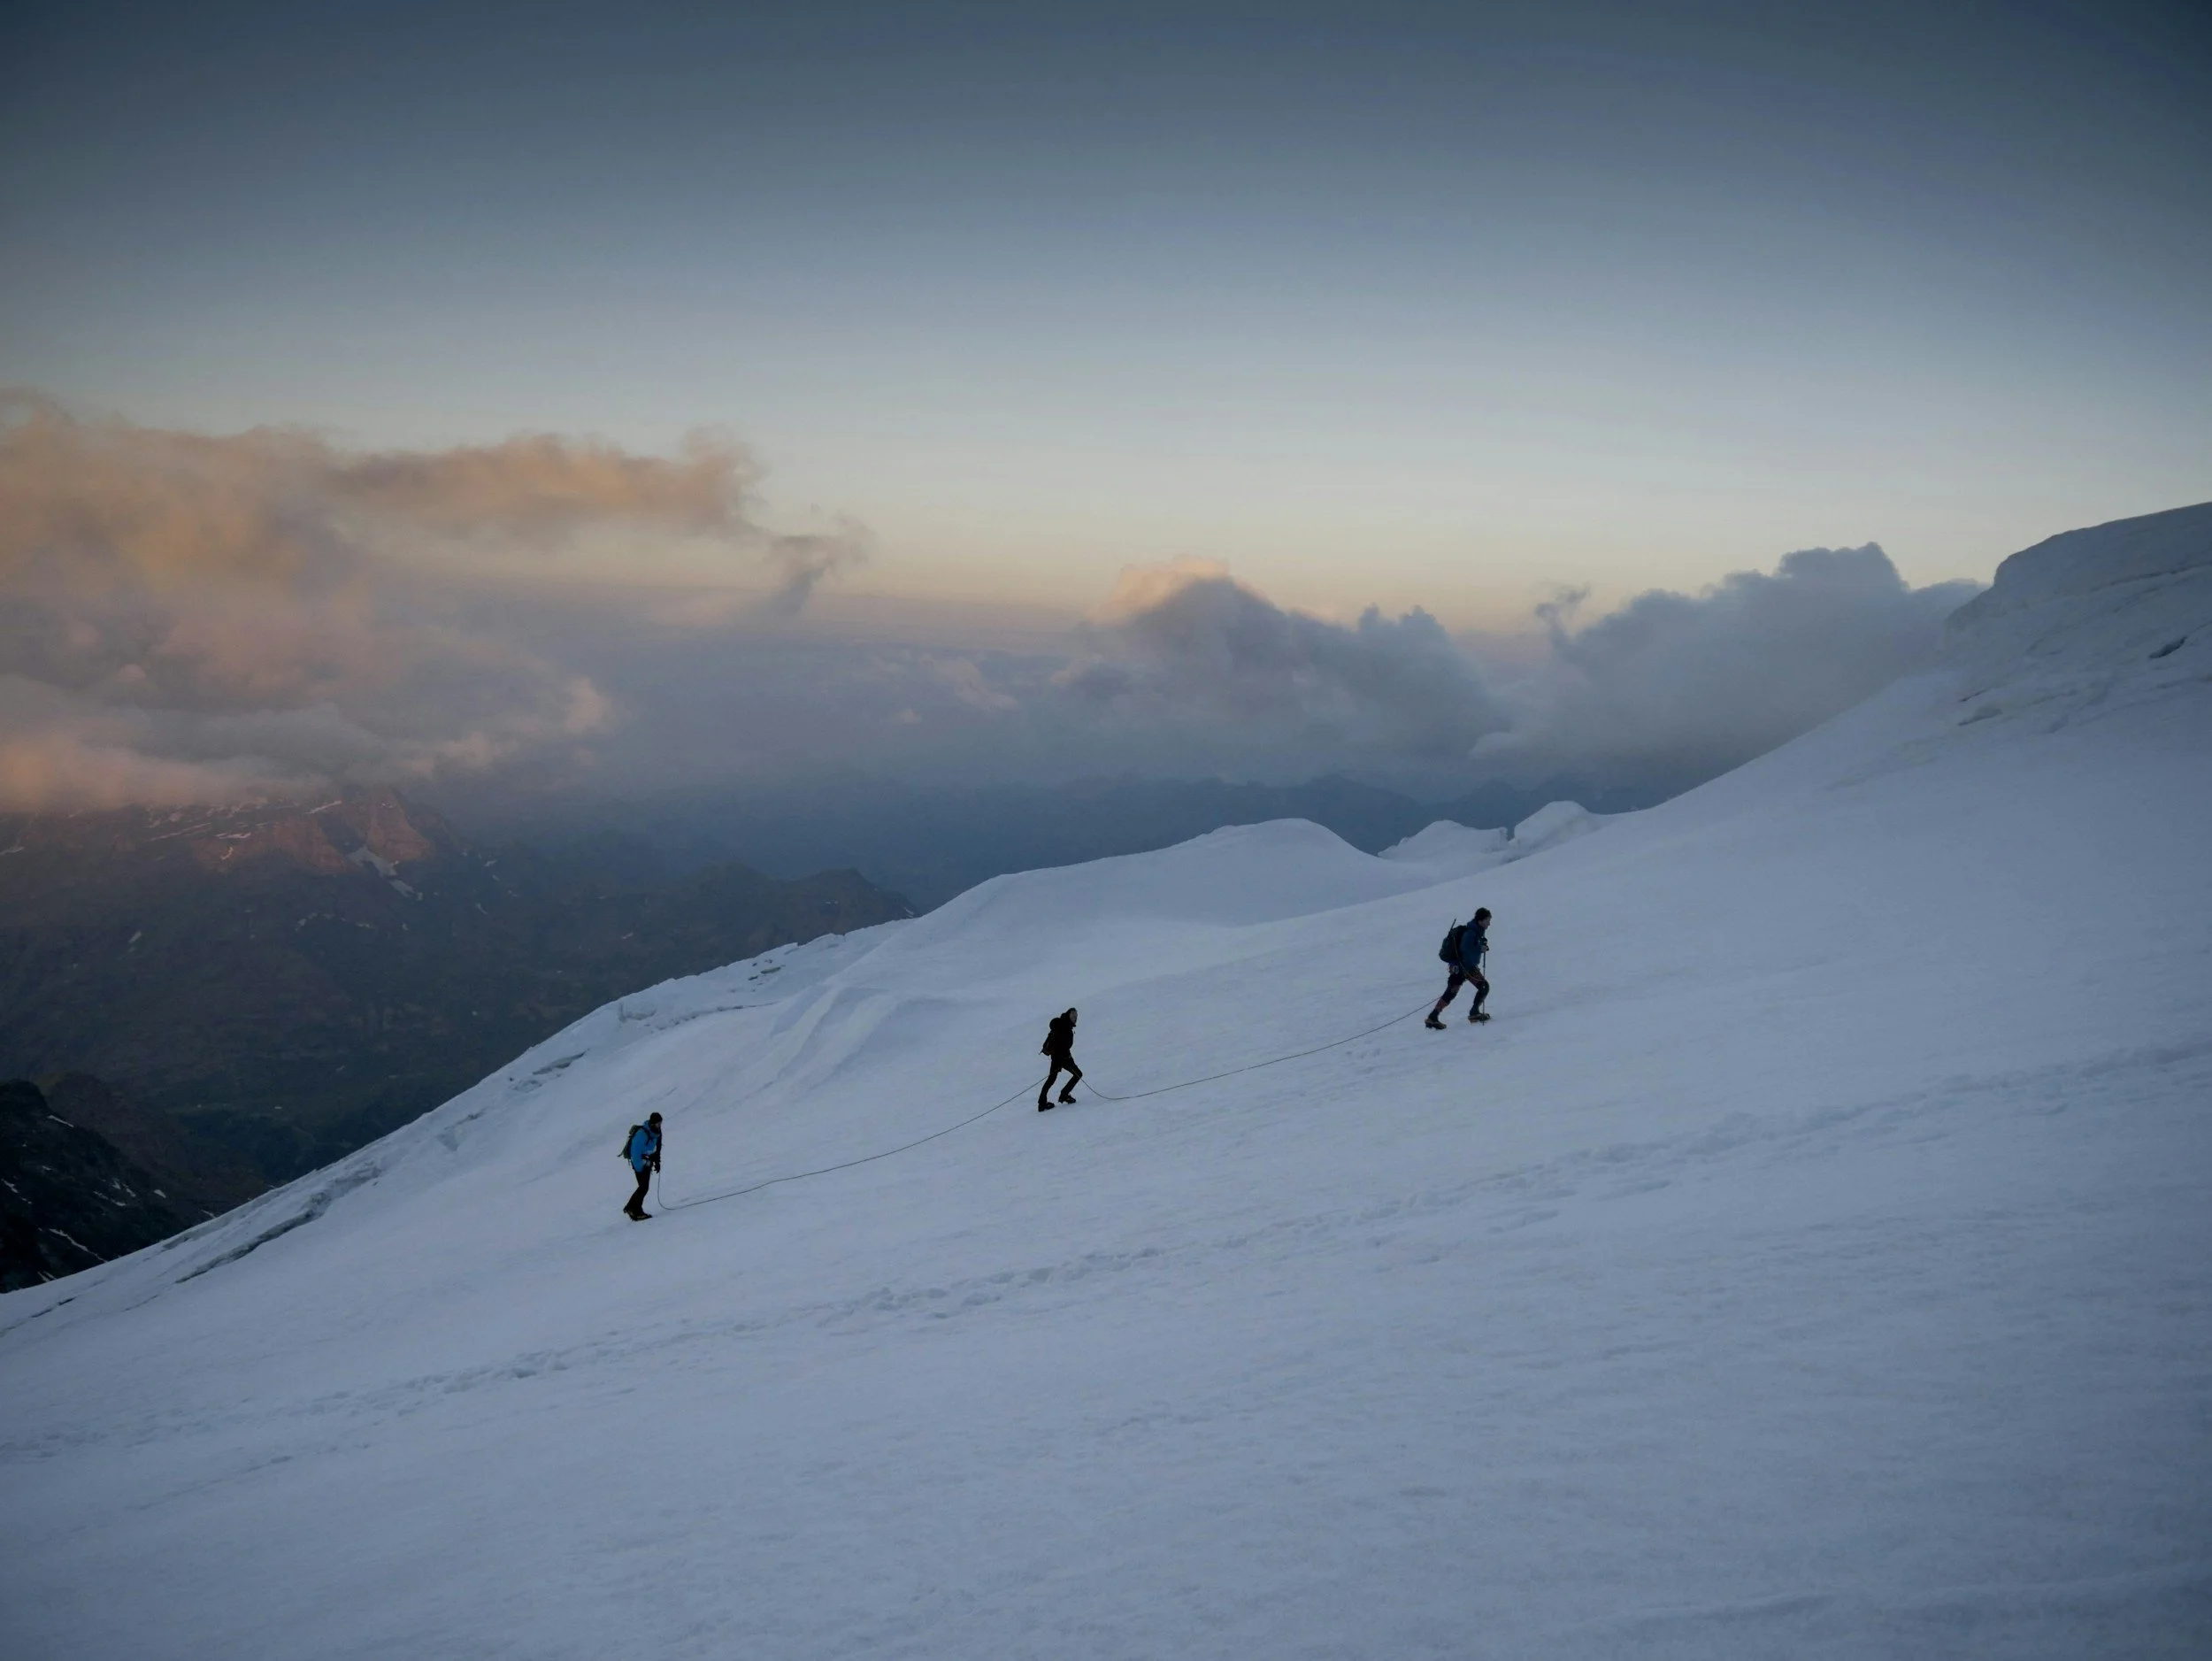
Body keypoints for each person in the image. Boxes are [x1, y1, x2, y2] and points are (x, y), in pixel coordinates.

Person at [1425, 908, 1492, 1029]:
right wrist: (1480, 948)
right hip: (1463, 967)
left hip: (1464, 967)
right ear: (1480, 921)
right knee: (1480, 987)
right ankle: (1473, 1013)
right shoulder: (1471, 932)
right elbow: (1465, 949)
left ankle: (1434, 1017)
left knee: (1455, 992)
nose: (1489, 923)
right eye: (1487, 920)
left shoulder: (1477, 931)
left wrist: (1481, 944)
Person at [1038, 1008, 1082, 1110]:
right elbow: (1065, 1047)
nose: (1075, 1019)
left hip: (1055, 1057)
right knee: (1078, 1074)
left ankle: (1042, 1103)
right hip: (1063, 1058)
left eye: (1075, 1017)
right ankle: (1064, 1095)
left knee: (1051, 1079)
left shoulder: (1059, 1025)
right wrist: (1067, 1058)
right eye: (1073, 1016)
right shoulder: (1066, 1029)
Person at [622, 1111, 663, 1219]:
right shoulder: (642, 1134)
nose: (660, 1126)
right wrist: (640, 1167)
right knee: (644, 1187)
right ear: (653, 1123)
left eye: (661, 1123)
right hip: (640, 1164)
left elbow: (657, 1148)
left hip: (647, 1163)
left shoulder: (657, 1132)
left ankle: (634, 1209)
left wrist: (657, 1162)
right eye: (658, 1124)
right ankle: (633, 1209)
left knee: (644, 1187)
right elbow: (635, 1153)